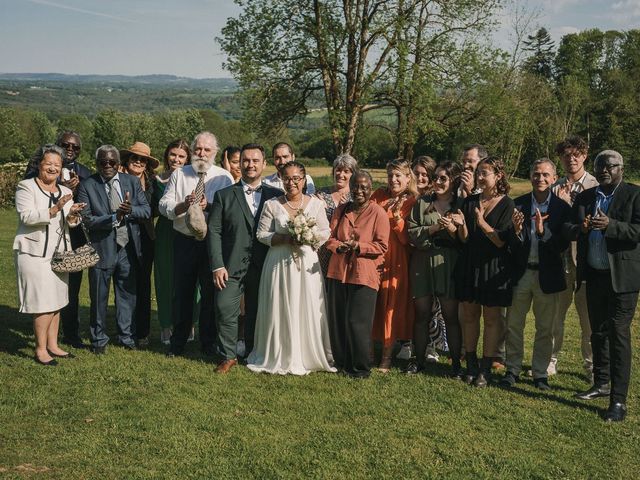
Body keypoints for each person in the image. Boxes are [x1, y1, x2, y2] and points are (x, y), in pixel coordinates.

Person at [569, 150, 640, 422]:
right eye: (599, 166)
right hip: (595, 275)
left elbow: (637, 231)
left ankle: (618, 400)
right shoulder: (587, 197)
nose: (603, 171)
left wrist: (612, 226)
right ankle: (600, 384)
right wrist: (582, 229)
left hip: (622, 279)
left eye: (609, 166)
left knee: (618, 333)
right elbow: (570, 228)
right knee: (597, 332)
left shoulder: (633, 195)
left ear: (621, 168)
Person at [247, 161, 335, 375]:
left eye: (296, 178)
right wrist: (284, 238)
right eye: (287, 178)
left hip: (307, 263)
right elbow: (262, 234)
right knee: (280, 304)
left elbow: (325, 231)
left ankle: (306, 354)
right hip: (279, 262)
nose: (291, 182)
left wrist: (310, 237)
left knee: (307, 304)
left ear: (304, 180)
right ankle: (279, 353)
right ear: (281, 179)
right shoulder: (272, 205)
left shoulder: (316, 204)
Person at [159, 131, 234, 357]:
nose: (201, 153)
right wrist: (184, 205)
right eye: (198, 149)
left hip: (211, 242)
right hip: (184, 240)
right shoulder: (180, 174)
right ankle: (178, 341)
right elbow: (164, 205)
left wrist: (208, 205)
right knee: (182, 292)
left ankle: (208, 341)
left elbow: (229, 213)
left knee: (210, 294)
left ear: (215, 153)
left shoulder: (223, 178)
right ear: (192, 150)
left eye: (207, 150)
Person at [208, 143, 281, 373]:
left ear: (264, 164)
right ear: (239, 164)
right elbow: (214, 231)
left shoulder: (276, 196)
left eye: (255, 160)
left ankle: (253, 351)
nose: (250, 165)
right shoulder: (224, 195)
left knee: (257, 311)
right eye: (246, 161)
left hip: (264, 265)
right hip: (230, 266)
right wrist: (217, 265)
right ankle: (228, 355)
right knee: (224, 308)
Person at [500, 159, 571, 390]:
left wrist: (542, 232)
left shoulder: (562, 208)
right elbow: (509, 243)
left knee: (545, 328)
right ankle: (512, 369)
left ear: (554, 178)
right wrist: (518, 232)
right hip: (521, 274)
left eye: (545, 175)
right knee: (513, 324)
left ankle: (540, 372)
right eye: (536, 174)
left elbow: (562, 245)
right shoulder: (517, 205)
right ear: (530, 176)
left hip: (547, 275)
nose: (540, 179)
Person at [14, 144, 85, 365]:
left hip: (59, 254)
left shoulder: (65, 191)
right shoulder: (26, 187)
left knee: (56, 302)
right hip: (33, 254)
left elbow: (72, 224)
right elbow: (27, 217)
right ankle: (40, 349)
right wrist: (54, 210)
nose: (53, 168)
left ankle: (53, 345)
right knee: (42, 303)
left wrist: (73, 214)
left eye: (57, 164)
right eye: (49, 164)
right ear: (38, 165)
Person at [76, 145, 151, 354]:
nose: (107, 166)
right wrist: (113, 218)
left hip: (128, 249)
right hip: (102, 249)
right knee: (99, 296)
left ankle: (126, 337)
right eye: (103, 162)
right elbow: (87, 220)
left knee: (127, 296)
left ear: (119, 164)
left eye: (112, 162)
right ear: (96, 163)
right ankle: (99, 339)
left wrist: (131, 210)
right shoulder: (87, 185)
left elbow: (146, 210)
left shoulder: (132, 182)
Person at [25, 131, 92, 349]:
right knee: (45, 288)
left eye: (75, 147)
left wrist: (75, 190)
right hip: (44, 238)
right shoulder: (38, 168)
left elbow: (87, 203)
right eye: (66, 145)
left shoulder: (84, 172)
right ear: (57, 145)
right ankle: (42, 336)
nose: (70, 149)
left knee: (69, 289)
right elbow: (31, 193)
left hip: (73, 237)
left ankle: (71, 333)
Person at [455, 157, 514, 387]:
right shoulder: (469, 202)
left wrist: (482, 223)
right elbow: (465, 239)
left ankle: (486, 369)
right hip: (470, 264)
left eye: (485, 173)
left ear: (498, 176)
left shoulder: (507, 204)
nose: (479, 177)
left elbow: (501, 242)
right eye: (478, 172)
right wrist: (460, 225)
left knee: (492, 320)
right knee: (469, 316)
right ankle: (470, 364)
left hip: (494, 267)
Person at [326, 171, 389, 378]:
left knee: (357, 321)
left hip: (364, 273)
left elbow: (381, 245)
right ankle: (343, 362)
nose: (359, 191)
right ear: (350, 187)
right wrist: (339, 246)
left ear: (371, 189)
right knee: (339, 319)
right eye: (356, 186)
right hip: (339, 271)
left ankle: (360, 368)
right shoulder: (341, 210)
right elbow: (330, 237)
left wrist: (358, 246)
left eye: (364, 187)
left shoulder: (378, 212)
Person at [407, 161, 464, 377]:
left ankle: (456, 364)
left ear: (453, 181)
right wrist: (433, 228)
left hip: (448, 262)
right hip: (422, 261)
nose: (438, 182)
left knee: (451, 316)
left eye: (443, 178)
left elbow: (466, 239)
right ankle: (418, 360)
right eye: (436, 177)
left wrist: (453, 229)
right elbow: (412, 232)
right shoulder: (422, 202)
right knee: (422, 314)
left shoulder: (461, 205)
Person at [549, 135, 597, 377]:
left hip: (587, 261)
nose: (571, 159)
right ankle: (551, 360)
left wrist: (569, 204)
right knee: (557, 314)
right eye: (566, 155)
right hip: (562, 259)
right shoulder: (554, 187)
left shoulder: (596, 186)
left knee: (588, 316)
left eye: (576, 154)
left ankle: (590, 365)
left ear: (584, 156)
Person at [371, 159, 417, 372]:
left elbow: (408, 238)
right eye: (390, 175)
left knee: (390, 306)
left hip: (397, 258)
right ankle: (369, 350)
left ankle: (387, 356)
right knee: (372, 303)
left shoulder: (413, 201)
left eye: (398, 175)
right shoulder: (378, 196)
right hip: (374, 256)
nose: (394, 179)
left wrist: (397, 218)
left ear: (408, 178)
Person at [119, 141, 159, 346]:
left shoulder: (152, 182)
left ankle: (142, 331)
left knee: (143, 284)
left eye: (142, 159)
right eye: (134, 158)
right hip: (121, 236)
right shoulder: (117, 178)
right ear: (127, 160)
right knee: (125, 282)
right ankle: (125, 329)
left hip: (145, 237)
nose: (138, 162)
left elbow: (156, 209)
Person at [153, 139, 191, 345]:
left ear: (188, 158)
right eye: (173, 154)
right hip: (165, 234)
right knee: (165, 279)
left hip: (187, 230)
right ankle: (167, 325)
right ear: (167, 155)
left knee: (187, 279)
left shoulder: (191, 178)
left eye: (181, 156)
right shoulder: (156, 179)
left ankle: (188, 324)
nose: (176, 159)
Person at [410, 154, 447, 363]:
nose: (421, 177)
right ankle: (411, 343)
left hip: (436, 257)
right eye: (417, 174)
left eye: (425, 174)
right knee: (418, 306)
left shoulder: (438, 198)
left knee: (436, 307)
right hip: (414, 255)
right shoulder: (410, 198)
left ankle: (434, 345)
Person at [316, 153, 357, 275]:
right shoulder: (322, 193)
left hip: (345, 249)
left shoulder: (356, 197)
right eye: (338, 170)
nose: (341, 174)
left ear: (353, 174)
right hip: (323, 249)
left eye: (346, 171)